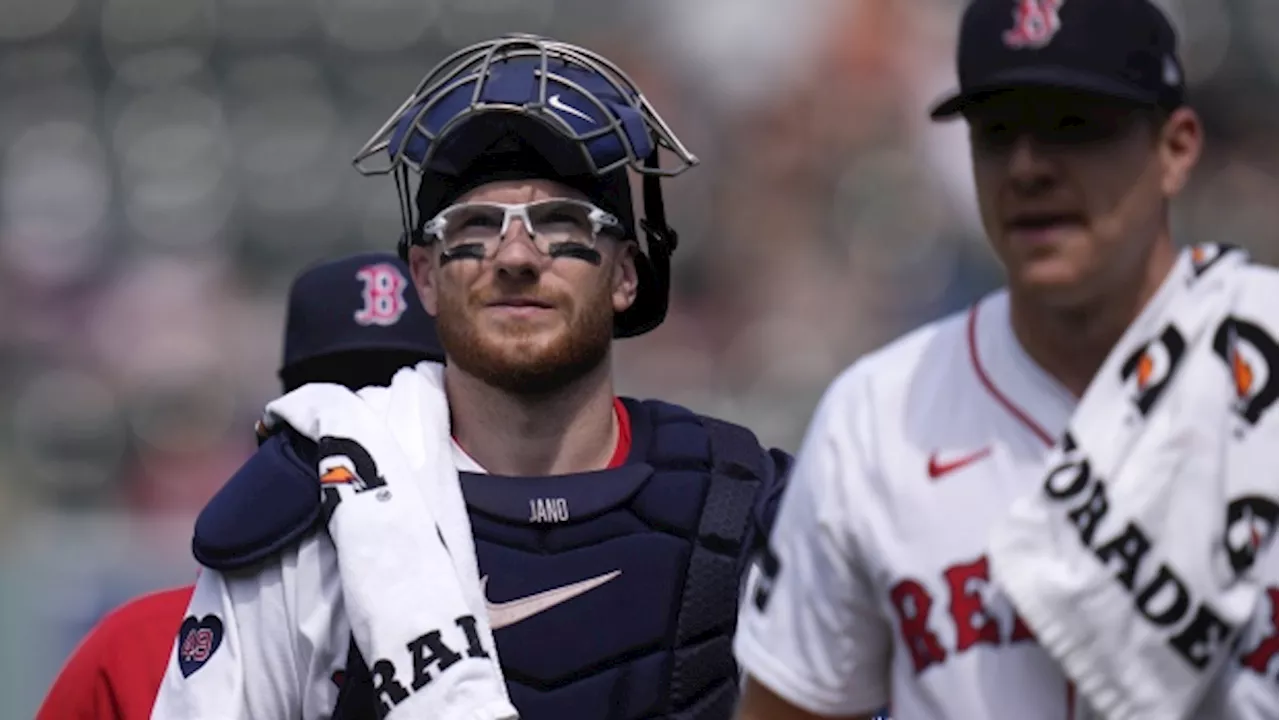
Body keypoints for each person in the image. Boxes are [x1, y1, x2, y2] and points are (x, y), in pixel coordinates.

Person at [151, 34, 790, 720]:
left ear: (626, 275)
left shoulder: (748, 509)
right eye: (476, 226)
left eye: (559, 222)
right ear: (424, 276)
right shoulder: (313, 511)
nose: (516, 255)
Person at [733, 0, 1280, 719]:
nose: (1027, 167)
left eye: (1072, 125)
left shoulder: (1260, 346)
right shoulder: (876, 417)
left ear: (1175, 148)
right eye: (997, 132)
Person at [35, 252, 444, 720]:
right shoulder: (137, 648)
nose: (362, 438)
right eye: (332, 410)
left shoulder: (522, 629)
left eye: (402, 408)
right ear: (274, 433)